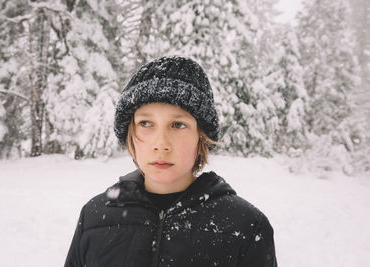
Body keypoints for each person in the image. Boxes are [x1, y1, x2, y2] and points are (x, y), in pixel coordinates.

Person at [64, 56, 277, 267]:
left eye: (178, 125)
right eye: (146, 123)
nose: (161, 144)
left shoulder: (246, 226)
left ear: (200, 136)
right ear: (130, 133)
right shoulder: (94, 217)